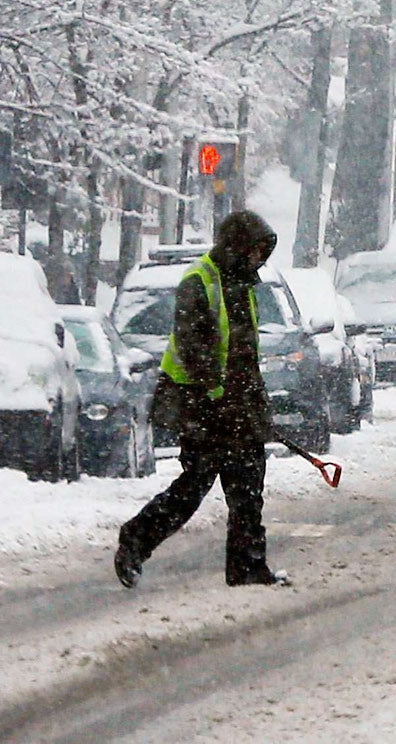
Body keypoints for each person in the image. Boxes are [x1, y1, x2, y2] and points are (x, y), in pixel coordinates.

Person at [115, 210, 288, 589]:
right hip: (202, 408)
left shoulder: (243, 286)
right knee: (193, 487)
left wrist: (254, 407)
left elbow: (244, 354)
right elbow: (196, 351)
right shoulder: (199, 282)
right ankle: (135, 538)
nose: (260, 258)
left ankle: (247, 567)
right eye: (256, 250)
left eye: (263, 252)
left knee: (248, 491)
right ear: (237, 247)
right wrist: (218, 395)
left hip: (236, 408)